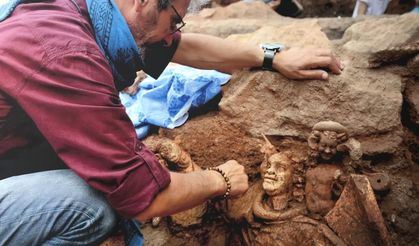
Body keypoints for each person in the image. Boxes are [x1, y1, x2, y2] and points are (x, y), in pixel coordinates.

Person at [0, 0, 343, 244]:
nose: (172, 34)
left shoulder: (86, 12)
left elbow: (181, 47)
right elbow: (140, 195)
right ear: (145, 2)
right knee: (93, 205)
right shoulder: (67, 55)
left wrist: (271, 57)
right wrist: (220, 179)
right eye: (175, 20)